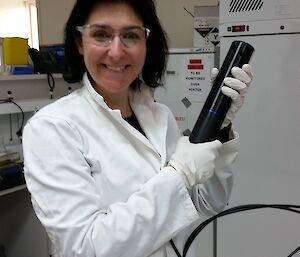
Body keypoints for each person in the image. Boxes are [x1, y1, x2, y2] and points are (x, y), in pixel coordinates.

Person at [22, 0, 253, 257]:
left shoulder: (159, 117)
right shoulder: (52, 128)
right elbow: (86, 249)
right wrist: (179, 175)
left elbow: (208, 201)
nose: (117, 52)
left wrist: (219, 129)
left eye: (131, 35)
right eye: (101, 35)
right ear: (80, 43)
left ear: (146, 44)